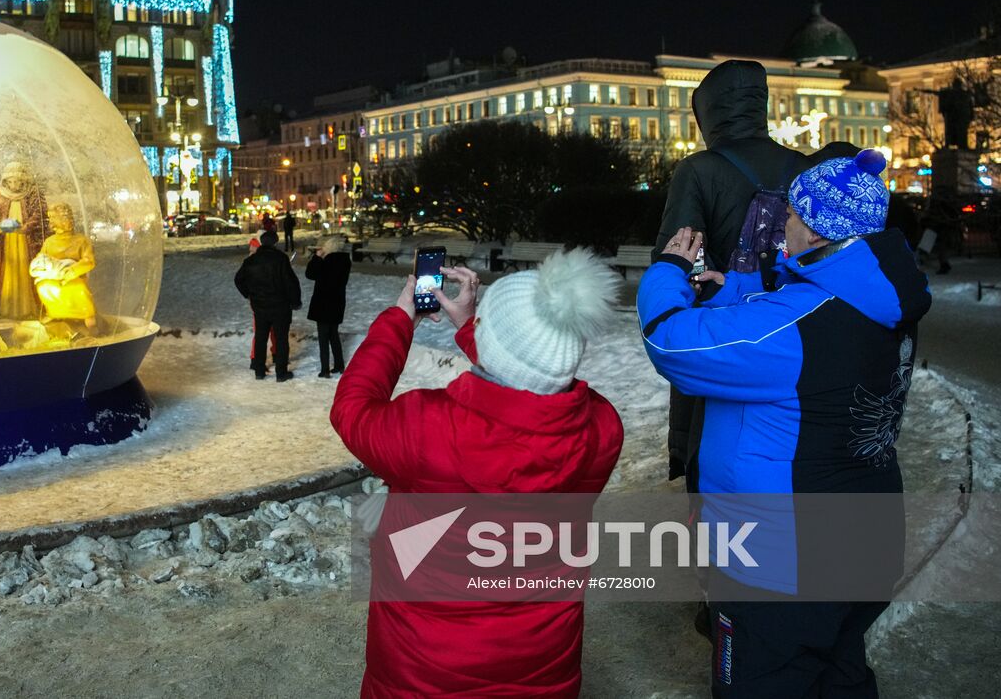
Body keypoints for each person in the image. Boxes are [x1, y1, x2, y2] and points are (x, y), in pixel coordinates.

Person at [638, 149, 931, 697]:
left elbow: (669, 340)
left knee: (760, 679)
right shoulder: (886, 299)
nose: (785, 225)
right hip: (864, 540)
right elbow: (811, 319)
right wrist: (737, 293)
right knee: (839, 672)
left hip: (783, 563)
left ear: (817, 231)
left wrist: (668, 271)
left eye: (793, 215)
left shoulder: (794, 331)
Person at [330, 252, 624, 697]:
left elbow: (353, 408)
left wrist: (400, 318)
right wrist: (473, 327)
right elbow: (533, 382)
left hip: (424, 672)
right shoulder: (601, 431)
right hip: (540, 664)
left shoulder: (427, 430)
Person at [656, 60, 808, 491]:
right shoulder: (801, 164)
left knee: (712, 424)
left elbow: (677, 252)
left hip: (720, 319)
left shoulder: (700, 169)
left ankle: (711, 520)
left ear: (709, 112)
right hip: (789, 321)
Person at [233, 229, 301, 380]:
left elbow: (238, 279)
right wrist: (295, 302)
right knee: (281, 339)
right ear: (275, 242)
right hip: (280, 306)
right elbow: (291, 282)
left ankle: (259, 371)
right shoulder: (281, 259)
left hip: (260, 306)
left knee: (261, 337)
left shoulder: (251, 260)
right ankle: (281, 373)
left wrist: (249, 294)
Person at [0, 160, 48, 318]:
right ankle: (7, 308)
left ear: (24, 180)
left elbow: (39, 215)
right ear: (6, 181)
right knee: (8, 271)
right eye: (11, 181)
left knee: (25, 270)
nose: (14, 185)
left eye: (18, 181)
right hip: (7, 243)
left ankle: (28, 308)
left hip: (26, 242)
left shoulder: (33, 194)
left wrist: (25, 228)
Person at [30, 203, 98, 334]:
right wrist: (41, 268)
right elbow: (42, 258)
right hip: (54, 276)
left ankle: (88, 318)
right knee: (44, 286)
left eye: (54, 218)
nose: (52, 221)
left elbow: (89, 261)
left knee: (78, 289)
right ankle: (55, 314)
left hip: (74, 277)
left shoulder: (81, 240)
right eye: (51, 218)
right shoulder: (50, 242)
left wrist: (72, 271)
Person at [305, 234, 351, 377]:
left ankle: (325, 370)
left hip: (323, 303)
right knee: (333, 335)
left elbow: (310, 274)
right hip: (337, 303)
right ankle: (339, 365)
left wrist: (317, 257)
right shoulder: (345, 261)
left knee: (323, 338)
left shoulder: (326, 262)